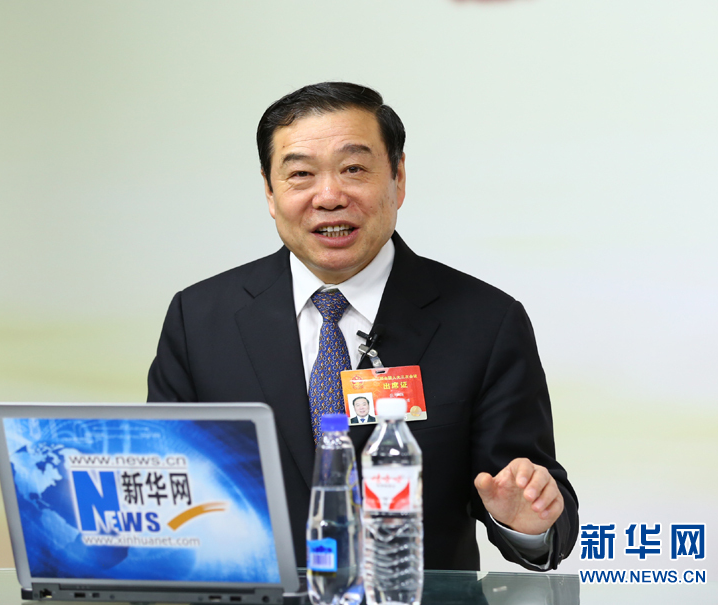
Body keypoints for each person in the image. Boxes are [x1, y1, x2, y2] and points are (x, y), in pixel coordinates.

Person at [147, 82, 578, 571]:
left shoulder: (485, 322)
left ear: (398, 178)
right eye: (301, 174)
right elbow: (164, 488)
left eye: (353, 169)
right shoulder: (200, 318)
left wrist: (527, 523)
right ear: (269, 191)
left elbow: (536, 499)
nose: (329, 197)